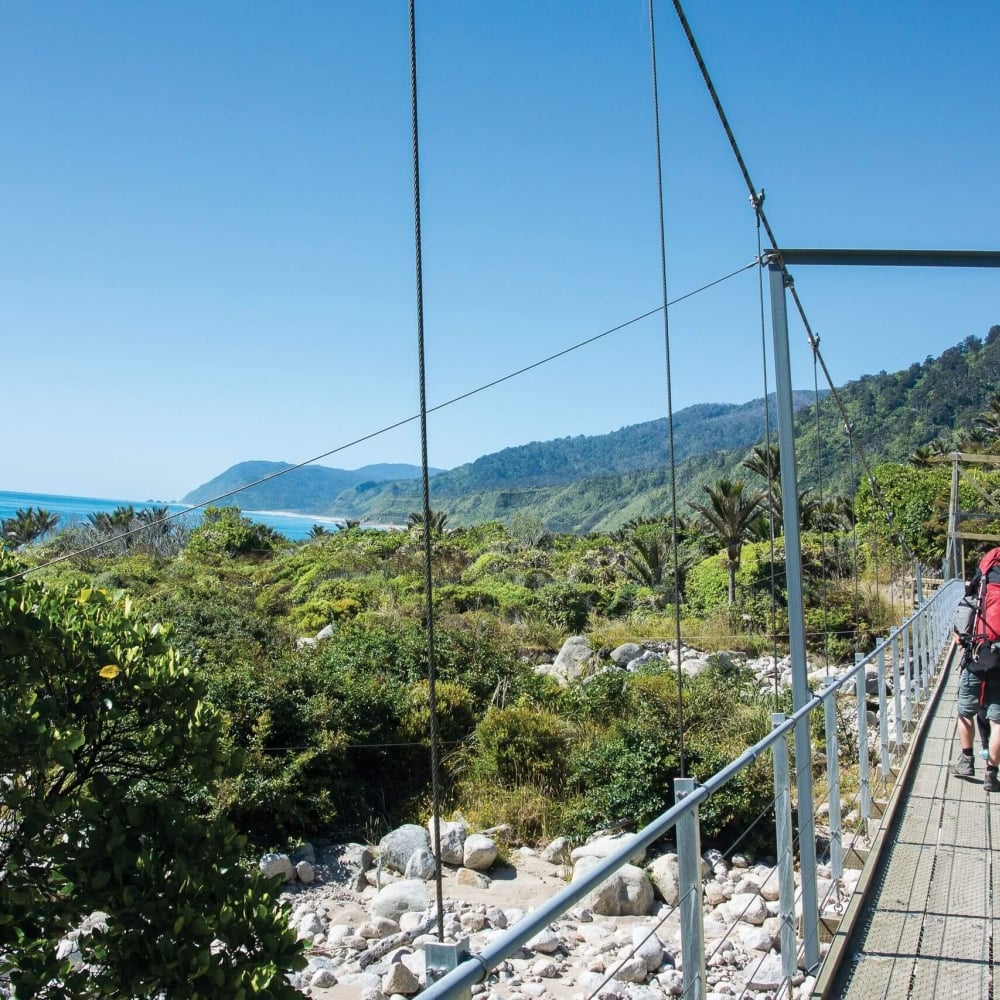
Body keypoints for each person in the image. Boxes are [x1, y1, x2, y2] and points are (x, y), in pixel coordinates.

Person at [952, 554, 1000, 791]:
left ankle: (966, 760)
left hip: (978, 654)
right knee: (998, 721)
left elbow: (967, 606)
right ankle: (991, 775)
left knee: (964, 711)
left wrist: (960, 636)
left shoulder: (986, 571)